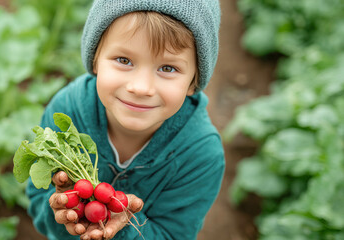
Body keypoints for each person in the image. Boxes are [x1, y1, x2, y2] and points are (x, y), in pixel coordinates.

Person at [25, 0, 224, 239]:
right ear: (96, 59)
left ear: (194, 81)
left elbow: (173, 234)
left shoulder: (200, 154)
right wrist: (66, 212)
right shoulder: (68, 110)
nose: (141, 88)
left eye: (168, 68)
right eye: (124, 60)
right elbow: (38, 203)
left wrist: (122, 227)